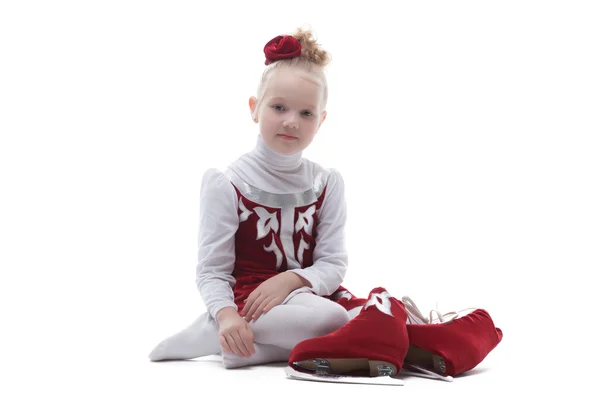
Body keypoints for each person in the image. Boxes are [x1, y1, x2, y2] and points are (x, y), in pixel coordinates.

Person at [148, 27, 364, 369]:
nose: (291, 122)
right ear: (254, 108)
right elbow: (212, 270)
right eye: (279, 107)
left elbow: (333, 263)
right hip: (245, 300)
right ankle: (222, 326)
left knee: (338, 318)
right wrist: (227, 313)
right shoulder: (228, 183)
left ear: (321, 121)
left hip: (303, 298)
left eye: (306, 113)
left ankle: (234, 347)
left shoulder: (326, 183)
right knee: (332, 324)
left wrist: (291, 279)